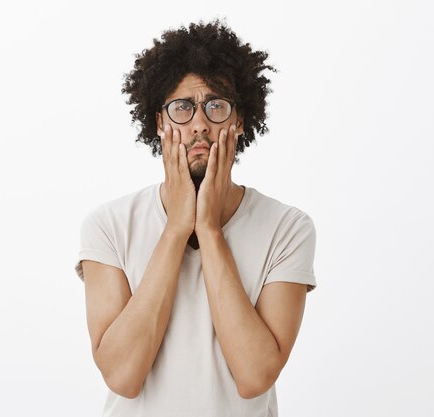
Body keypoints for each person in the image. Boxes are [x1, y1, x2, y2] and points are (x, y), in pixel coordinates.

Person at [73, 18, 317, 417]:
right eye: (182, 107)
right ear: (159, 122)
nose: (200, 124)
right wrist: (175, 230)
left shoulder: (287, 228)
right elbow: (122, 376)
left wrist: (208, 230)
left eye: (215, 105)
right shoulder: (108, 225)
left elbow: (255, 376)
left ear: (239, 122)